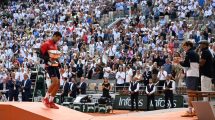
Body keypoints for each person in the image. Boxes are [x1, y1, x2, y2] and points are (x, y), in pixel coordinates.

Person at [40, 31, 63, 109]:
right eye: (58, 38)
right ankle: (45, 98)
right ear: (54, 36)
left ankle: (51, 101)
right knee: (55, 82)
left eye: (59, 39)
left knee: (58, 83)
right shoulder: (46, 44)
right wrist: (49, 59)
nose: (58, 40)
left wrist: (60, 66)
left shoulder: (55, 45)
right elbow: (41, 55)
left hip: (55, 65)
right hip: (49, 65)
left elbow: (56, 57)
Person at [180, 41, 200, 117]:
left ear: (189, 46)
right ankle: (195, 110)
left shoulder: (189, 53)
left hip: (191, 74)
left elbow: (186, 64)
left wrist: (179, 62)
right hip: (196, 74)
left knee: (190, 93)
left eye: (185, 47)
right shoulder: (196, 54)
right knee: (194, 93)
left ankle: (190, 110)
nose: (184, 49)